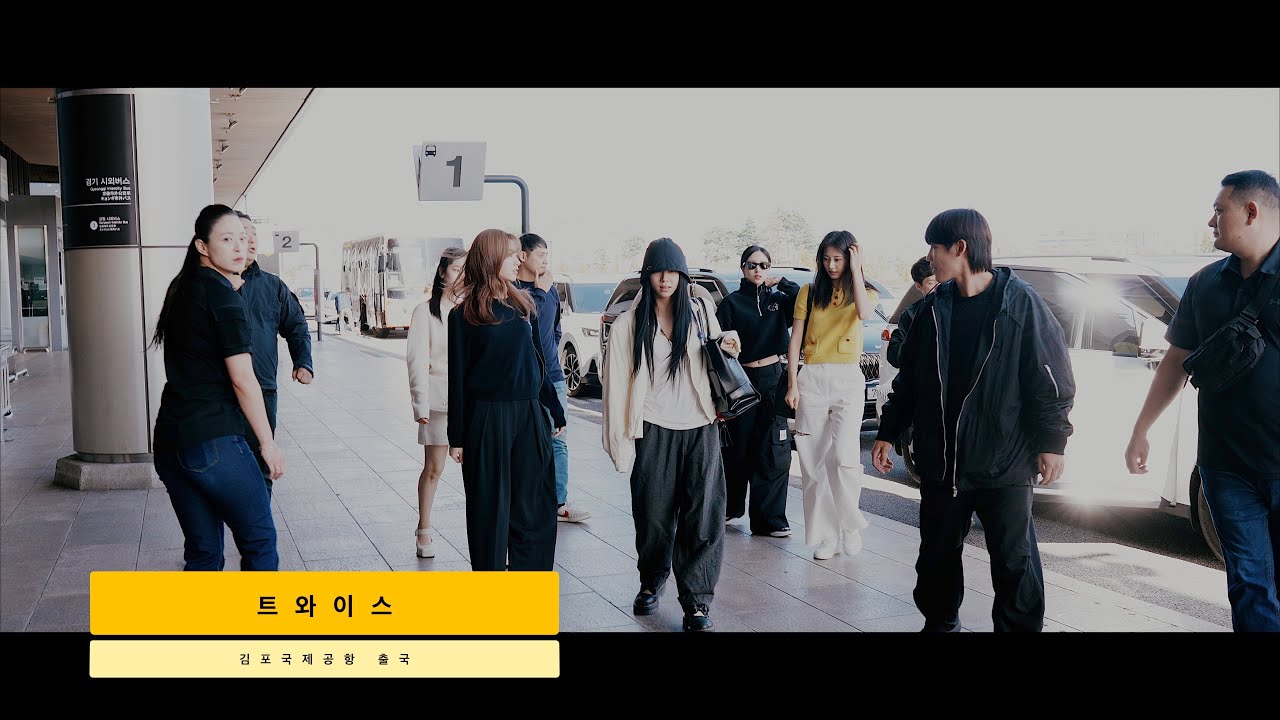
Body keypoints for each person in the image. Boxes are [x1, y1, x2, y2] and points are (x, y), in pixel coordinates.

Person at [872, 208, 1075, 632]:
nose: (930, 257)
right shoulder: (932, 309)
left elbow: (1051, 378)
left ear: (960, 248)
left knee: (1014, 562)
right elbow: (910, 379)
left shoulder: (1019, 303)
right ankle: (940, 625)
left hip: (1005, 460)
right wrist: (888, 431)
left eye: (935, 247)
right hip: (943, 462)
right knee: (936, 559)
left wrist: (1052, 441)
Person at [1124, 170, 1280, 632]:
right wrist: (1141, 429)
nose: (1211, 221)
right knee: (1249, 584)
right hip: (1225, 465)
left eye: (1218, 210)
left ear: (1251, 211)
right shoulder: (1205, 282)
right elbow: (1176, 360)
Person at [602, 237, 741, 632]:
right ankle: (652, 580)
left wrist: (730, 342)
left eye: (673, 272)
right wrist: (619, 443)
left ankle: (697, 601)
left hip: (701, 425)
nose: (665, 279)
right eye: (658, 271)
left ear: (682, 275)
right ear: (647, 275)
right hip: (653, 427)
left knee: (703, 517)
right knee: (653, 516)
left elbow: (721, 349)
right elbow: (614, 387)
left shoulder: (699, 311)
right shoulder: (630, 324)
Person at [149, 204, 284, 571]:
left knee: (204, 552)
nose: (239, 247)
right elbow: (242, 378)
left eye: (242, 238)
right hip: (213, 441)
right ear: (202, 246)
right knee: (260, 543)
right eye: (227, 239)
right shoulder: (223, 298)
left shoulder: (182, 287)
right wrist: (267, 444)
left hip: (171, 441)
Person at [447, 229, 566, 571]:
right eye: (511, 254)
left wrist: (554, 409)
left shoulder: (523, 305)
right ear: (491, 258)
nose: (518, 260)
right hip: (487, 418)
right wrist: (457, 437)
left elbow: (537, 361)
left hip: (529, 413)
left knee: (535, 508)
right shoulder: (464, 315)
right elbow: (457, 378)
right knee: (489, 512)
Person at [784, 230, 878, 560]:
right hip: (811, 376)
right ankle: (827, 536)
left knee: (844, 456)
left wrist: (856, 270)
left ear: (850, 259)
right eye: (826, 259)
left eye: (838, 259)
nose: (831, 265)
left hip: (847, 379)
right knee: (811, 463)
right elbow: (795, 340)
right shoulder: (809, 292)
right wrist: (792, 383)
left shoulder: (864, 292)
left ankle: (849, 524)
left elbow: (864, 314)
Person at [715, 244, 800, 537]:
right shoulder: (731, 303)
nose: (758, 270)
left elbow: (804, 304)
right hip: (741, 379)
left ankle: (770, 520)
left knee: (773, 448)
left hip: (774, 377)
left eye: (764, 265)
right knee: (737, 446)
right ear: (743, 268)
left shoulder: (779, 300)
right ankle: (730, 508)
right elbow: (716, 346)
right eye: (752, 265)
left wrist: (782, 282)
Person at [234, 211, 313, 496]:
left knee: (261, 465)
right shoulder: (212, 285)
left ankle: (259, 521)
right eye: (243, 234)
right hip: (220, 392)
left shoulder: (272, 285)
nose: (251, 240)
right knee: (225, 466)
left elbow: (296, 325)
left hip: (263, 389)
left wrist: (303, 362)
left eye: (254, 234)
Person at [515, 232, 591, 524]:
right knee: (528, 441)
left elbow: (555, 330)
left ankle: (559, 502)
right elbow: (527, 325)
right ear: (523, 256)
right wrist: (540, 292)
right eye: (540, 255)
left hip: (554, 376)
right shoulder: (515, 290)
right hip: (525, 379)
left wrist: (549, 356)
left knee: (559, 438)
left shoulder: (549, 290)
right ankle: (529, 500)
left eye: (547, 255)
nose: (545, 261)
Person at [406, 245, 467, 558]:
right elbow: (417, 360)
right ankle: (424, 528)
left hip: (471, 401)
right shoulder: (425, 311)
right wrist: (420, 404)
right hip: (439, 402)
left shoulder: (472, 308)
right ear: (443, 272)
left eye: (466, 270)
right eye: (456, 269)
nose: (461, 276)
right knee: (434, 468)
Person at [885, 257, 938, 370]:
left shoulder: (957, 308)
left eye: (941, 281)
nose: (938, 287)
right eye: (931, 283)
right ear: (918, 286)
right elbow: (894, 355)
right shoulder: (910, 314)